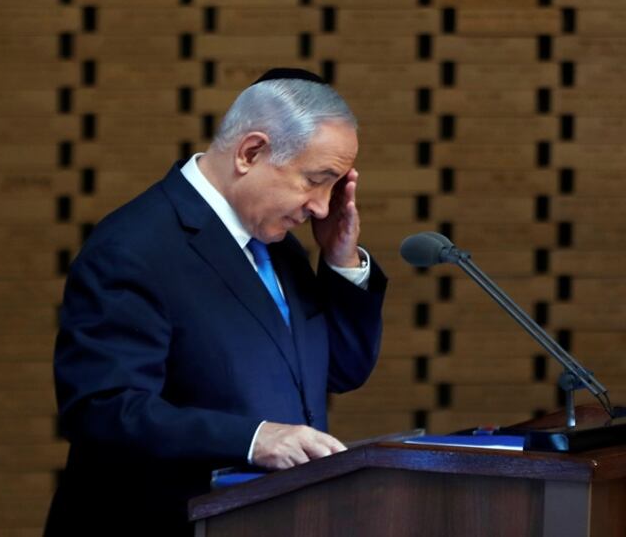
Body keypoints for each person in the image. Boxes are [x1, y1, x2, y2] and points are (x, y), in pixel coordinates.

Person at [44, 69, 387, 534]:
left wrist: (341, 260)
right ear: (251, 152)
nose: (322, 207)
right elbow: (103, 409)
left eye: (334, 186)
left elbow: (340, 370)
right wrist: (252, 439)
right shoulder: (133, 248)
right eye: (315, 180)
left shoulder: (278, 245)